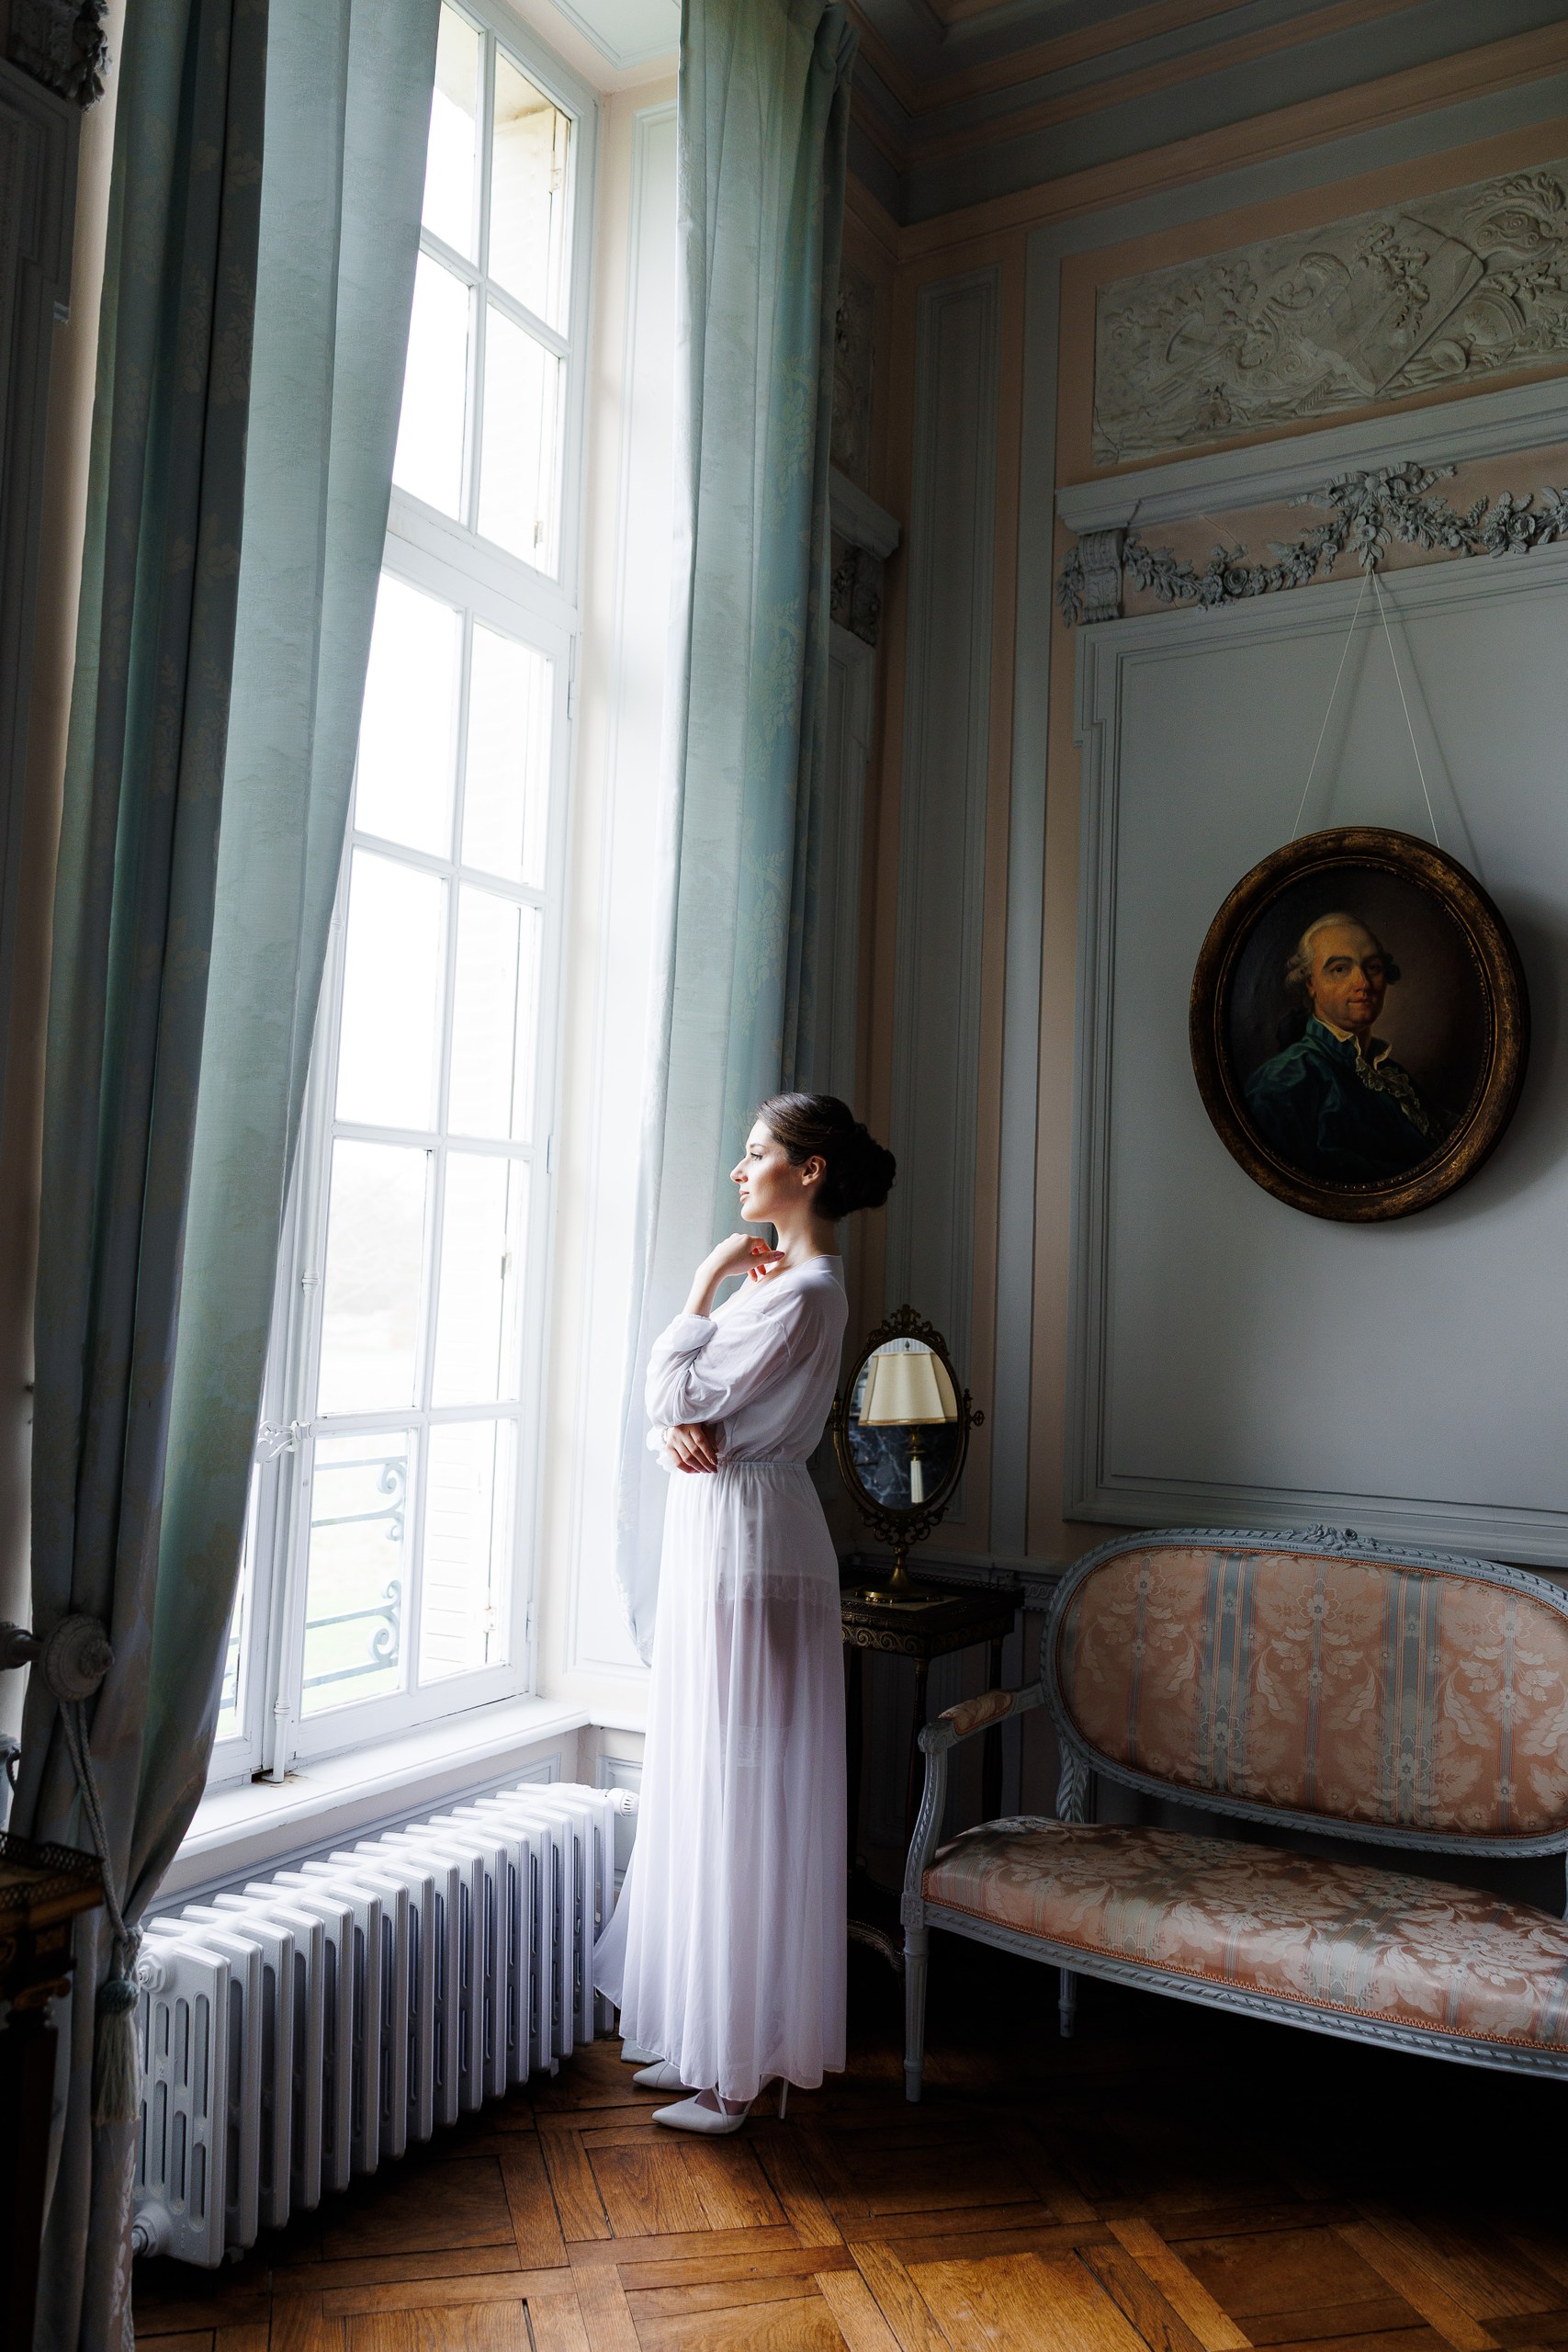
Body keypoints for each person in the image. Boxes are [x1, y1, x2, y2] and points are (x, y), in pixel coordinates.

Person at [592, 1092, 896, 2134]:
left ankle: (735, 2069)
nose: (738, 1166)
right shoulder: (801, 1294)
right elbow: (687, 1421)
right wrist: (674, 1429)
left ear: (808, 1172)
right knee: (714, 1775)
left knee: (740, 1787)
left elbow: (675, 1396)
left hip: (748, 1539)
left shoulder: (798, 1293)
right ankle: (705, 2034)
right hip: (731, 1523)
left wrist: (706, 1276)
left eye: (758, 1152)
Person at [1243, 911, 1436, 1183]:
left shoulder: (1390, 1074)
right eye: (1340, 969)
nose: (1363, 984)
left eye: (1372, 967)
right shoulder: (1283, 1081)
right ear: (1310, 983)